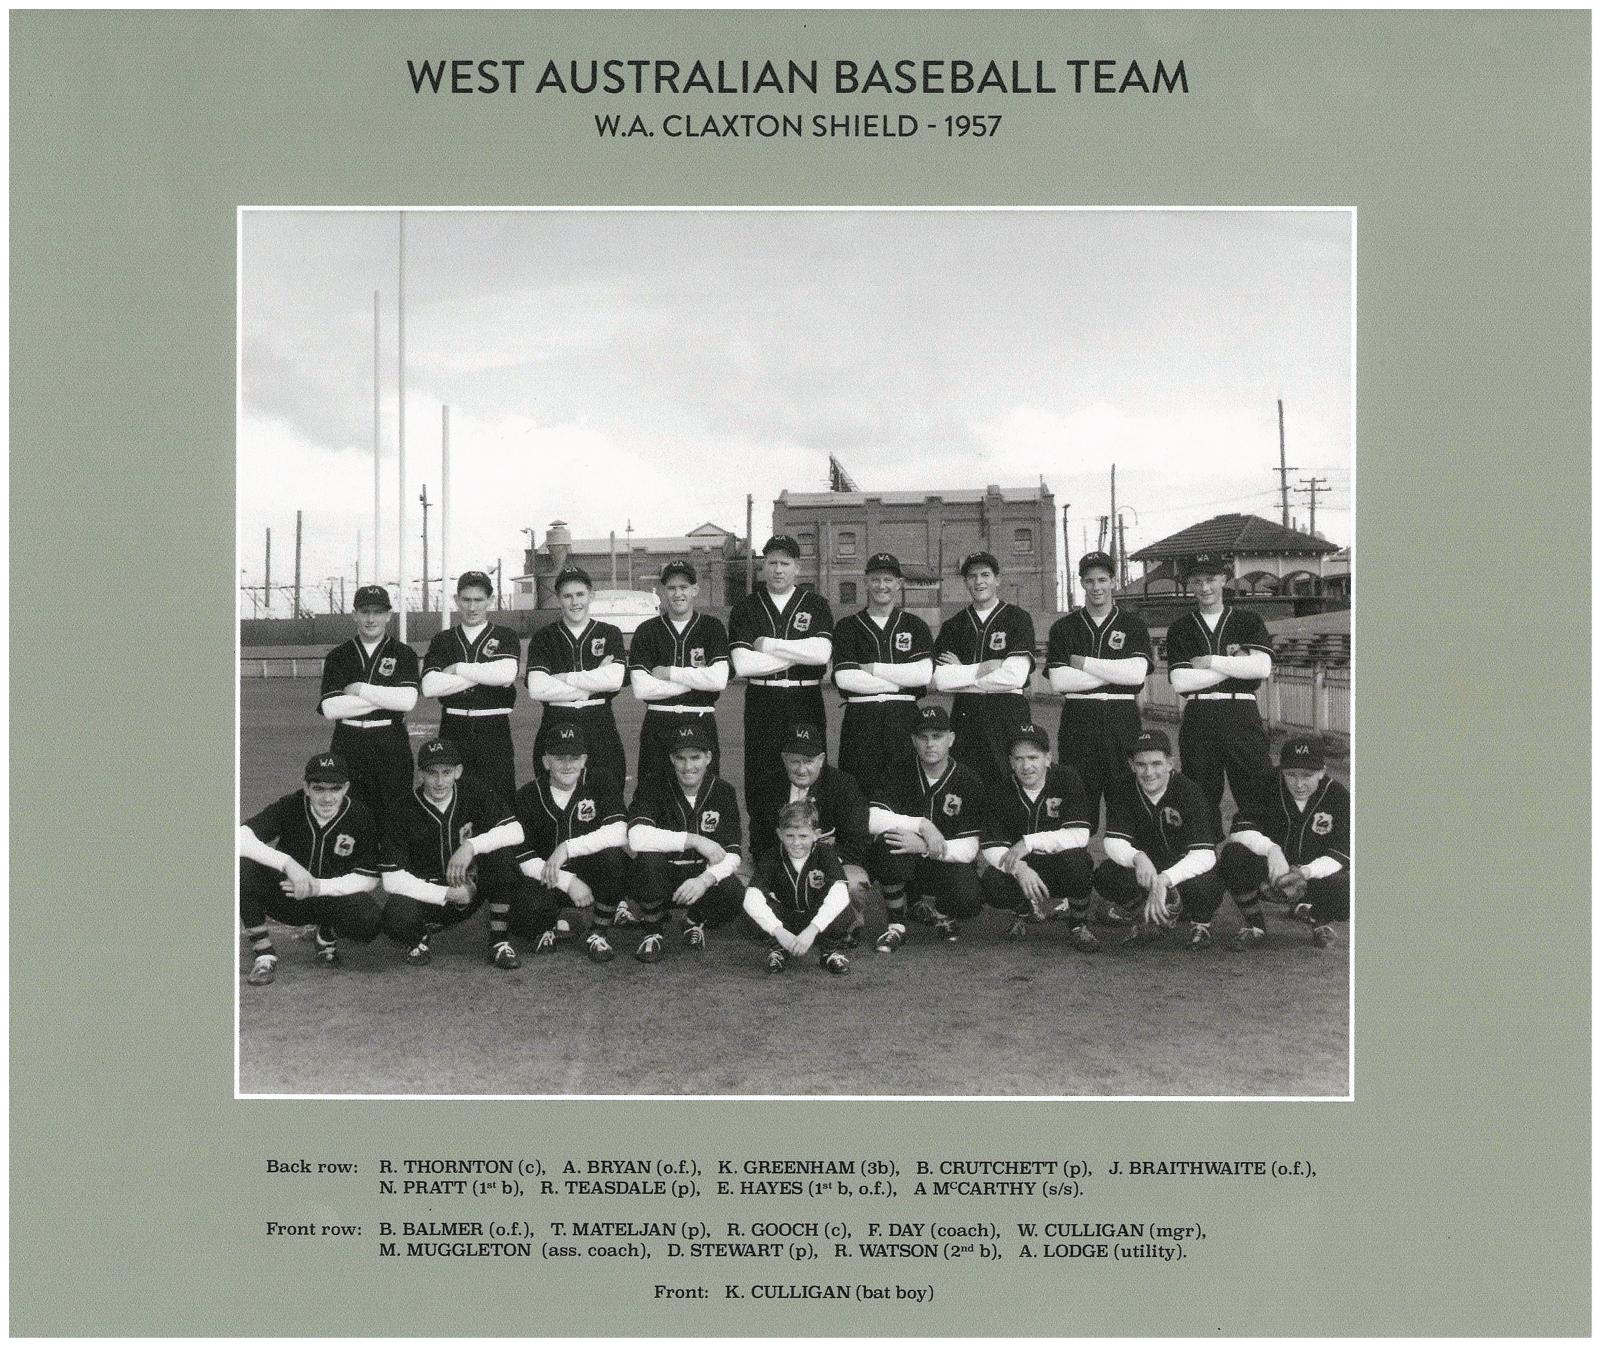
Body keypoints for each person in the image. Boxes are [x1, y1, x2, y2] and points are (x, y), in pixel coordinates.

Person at [379, 738, 555, 970]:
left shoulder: (474, 791)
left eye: (446, 772)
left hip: (475, 888)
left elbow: (515, 831)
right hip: (433, 896)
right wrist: (447, 893)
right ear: (420, 774)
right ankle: (420, 937)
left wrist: (470, 846)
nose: (440, 781)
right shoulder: (403, 808)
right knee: (396, 916)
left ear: (458, 771)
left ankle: (499, 941)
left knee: (507, 864)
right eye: (432, 773)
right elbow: (391, 879)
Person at [238, 752, 383, 986]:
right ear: (306, 787)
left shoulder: (360, 816)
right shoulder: (291, 805)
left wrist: (318, 887)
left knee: (370, 919)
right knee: (241, 866)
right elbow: (239, 836)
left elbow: (369, 877)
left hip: (329, 902)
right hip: (286, 894)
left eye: (335, 789)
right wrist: (289, 865)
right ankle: (264, 952)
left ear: (346, 787)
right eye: (319, 789)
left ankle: (326, 936)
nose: (327, 798)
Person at [728, 535, 834, 836]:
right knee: (762, 771)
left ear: (797, 568)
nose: (777, 569)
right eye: (771, 562)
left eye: (785, 563)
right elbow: (744, 664)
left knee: (808, 769)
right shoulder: (747, 607)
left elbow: (822, 654)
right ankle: (762, 845)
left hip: (805, 696)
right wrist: (798, 653)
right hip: (764, 697)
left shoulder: (815, 604)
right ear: (763, 566)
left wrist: (769, 645)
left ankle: (811, 840)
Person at [1044, 551, 1153, 827]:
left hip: (1122, 719)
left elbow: (1136, 674)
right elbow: (1059, 681)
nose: (1096, 587)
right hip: (1079, 721)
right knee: (1078, 805)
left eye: (1102, 580)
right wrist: (1115, 672)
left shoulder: (1133, 625)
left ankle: (1124, 864)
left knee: (1126, 803)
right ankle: (1079, 866)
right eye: (1090, 581)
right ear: (1081, 583)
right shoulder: (1064, 627)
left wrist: (1082, 664)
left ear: (1113, 581)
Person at [1164, 553, 1275, 822]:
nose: (1205, 588)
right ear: (1189, 584)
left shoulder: (1248, 620)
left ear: (1224, 579)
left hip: (1241, 713)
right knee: (1199, 798)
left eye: (1211, 579)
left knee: (1257, 793)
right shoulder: (1181, 628)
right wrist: (1235, 665)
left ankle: (1254, 857)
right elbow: (1180, 681)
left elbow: (1261, 668)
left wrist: (1211, 661)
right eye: (1197, 581)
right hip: (1199, 716)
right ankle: (1204, 858)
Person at [509, 721, 631, 964]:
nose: (568, 765)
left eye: (574, 757)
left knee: (614, 859)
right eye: (560, 758)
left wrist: (567, 848)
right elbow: (520, 854)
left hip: (591, 876)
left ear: (584, 759)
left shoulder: (600, 780)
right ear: (546, 761)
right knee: (523, 912)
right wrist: (568, 881)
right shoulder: (528, 795)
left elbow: (620, 830)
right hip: (549, 879)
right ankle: (553, 923)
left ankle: (598, 931)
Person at [865, 705, 987, 948]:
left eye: (937, 736)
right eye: (923, 737)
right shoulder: (899, 770)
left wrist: (923, 846)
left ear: (951, 739)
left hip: (946, 864)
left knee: (968, 898)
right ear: (913, 740)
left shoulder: (968, 779)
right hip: (906, 862)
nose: (930, 744)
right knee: (887, 843)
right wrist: (922, 824)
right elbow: (871, 818)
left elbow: (970, 847)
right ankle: (896, 924)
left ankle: (943, 913)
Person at [1093, 730, 1228, 948]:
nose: (1149, 772)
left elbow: (1204, 854)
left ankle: (1200, 925)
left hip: (1181, 872)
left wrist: (1166, 879)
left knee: (1208, 883)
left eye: (1156, 764)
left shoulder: (1189, 791)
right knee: (1106, 875)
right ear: (1131, 765)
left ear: (1169, 763)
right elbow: (1113, 841)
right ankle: (1148, 914)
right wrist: (1138, 857)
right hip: (1146, 871)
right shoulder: (1122, 788)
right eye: (1141, 765)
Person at [625, 721, 745, 962]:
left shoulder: (723, 791)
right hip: (660, 876)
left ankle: (693, 920)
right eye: (680, 758)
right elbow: (637, 837)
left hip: (696, 879)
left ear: (708, 757)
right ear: (671, 758)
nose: (688, 766)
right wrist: (695, 840)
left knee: (733, 892)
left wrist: (704, 880)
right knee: (648, 859)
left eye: (695, 757)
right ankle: (652, 930)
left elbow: (732, 853)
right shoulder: (653, 785)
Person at [746, 723, 873, 944]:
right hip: (781, 864)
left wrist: (823, 865)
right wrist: (783, 870)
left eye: (809, 761)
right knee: (742, 878)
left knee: (854, 883)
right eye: (795, 761)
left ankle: (845, 926)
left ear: (822, 759)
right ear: (784, 759)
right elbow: (759, 840)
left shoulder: (843, 785)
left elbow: (858, 841)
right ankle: (779, 924)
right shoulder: (767, 786)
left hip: (829, 865)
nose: (801, 769)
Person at [1219, 735, 1350, 949]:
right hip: (1271, 874)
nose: (1298, 784)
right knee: (1233, 856)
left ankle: (1318, 920)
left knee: (1347, 884)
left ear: (1322, 771)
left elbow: (1345, 851)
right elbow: (1240, 827)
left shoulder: (1337, 795)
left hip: (1313, 877)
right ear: (1282, 771)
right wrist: (1272, 850)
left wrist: (1305, 872)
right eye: (1291, 774)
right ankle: (1255, 925)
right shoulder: (1267, 784)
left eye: (1307, 775)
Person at [979, 724, 1097, 946]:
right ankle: (1025, 911)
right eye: (1019, 759)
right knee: (992, 881)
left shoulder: (1067, 778)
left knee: (1079, 863)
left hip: (1058, 864)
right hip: (1023, 870)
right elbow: (990, 844)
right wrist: (1019, 869)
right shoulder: (1000, 790)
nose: (1026, 766)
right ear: (1011, 762)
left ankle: (1078, 923)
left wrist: (1029, 842)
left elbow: (1080, 835)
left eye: (1033, 757)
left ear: (1047, 758)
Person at [831, 551, 933, 802]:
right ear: (866, 582)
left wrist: (873, 669)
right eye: (875, 579)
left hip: (904, 720)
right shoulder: (848, 626)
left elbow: (922, 675)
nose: (882, 586)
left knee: (905, 794)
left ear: (899, 584)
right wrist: (901, 681)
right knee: (858, 794)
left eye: (888, 579)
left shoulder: (914, 625)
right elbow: (845, 678)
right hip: (861, 720)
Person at [930, 551, 1037, 790]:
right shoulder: (954, 625)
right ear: (965, 582)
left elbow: (1015, 676)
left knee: (1010, 788)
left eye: (985, 575)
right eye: (972, 576)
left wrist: (963, 673)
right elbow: (940, 679)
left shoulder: (1017, 618)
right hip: (966, 717)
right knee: (965, 789)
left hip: (1007, 715)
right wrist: (986, 667)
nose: (979, 581)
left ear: (997, 579)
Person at [315, 585, 419, 825]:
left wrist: (361, 689)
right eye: (365, 612)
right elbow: (331, 708)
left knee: (393, 817)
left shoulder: (403, 653)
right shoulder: (339, 656)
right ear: (354, 615)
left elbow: (407, 700)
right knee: (349, 818)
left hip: (390, 742)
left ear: (388, 615)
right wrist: (385, 698)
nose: (371, 619)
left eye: (378, 612)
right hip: (347, 741)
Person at [419, 571, 521, 807]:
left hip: (494, 727)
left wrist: (457, 668)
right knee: (454, 801)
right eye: (466, 600)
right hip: (454, 728)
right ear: (456, 601)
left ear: (490, 601)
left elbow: (506, 673)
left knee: (499, 801)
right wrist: (485, 674)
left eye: (478, 600)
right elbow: (430, 685)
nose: (472, 607)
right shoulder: (443, 640)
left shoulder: (504, 635)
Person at [524, 566, 630, 790]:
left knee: (607, 796)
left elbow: (613, 679)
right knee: (556, 799)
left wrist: (563, 677)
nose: (575, 602)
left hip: (600, 726)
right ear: (558, 599)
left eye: (580, 594)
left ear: (591, 595)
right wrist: (592, 683)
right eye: (567, 596)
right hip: (556, 721)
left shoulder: (609, 633)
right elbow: (537, 688)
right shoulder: (545, 637)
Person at [628, 560, 729, 790]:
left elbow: (719, 679)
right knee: (653, 793)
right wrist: (698, 680)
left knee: (703, 795)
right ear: (664, 592)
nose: (678, 593)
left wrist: (670, 673)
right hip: (658, 723)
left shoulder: (712, 627)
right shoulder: (648, 630)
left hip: (701, 720)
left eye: (683, 587)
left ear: (695, 589)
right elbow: (642, 688)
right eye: (672, 588)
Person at [742, 800, 853, 975]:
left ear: (816, 834)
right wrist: (778, 932)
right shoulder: (772, 855)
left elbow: (840, 893)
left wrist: (812, 930)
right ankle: (777, 949)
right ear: (780, 834)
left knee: (843, 906)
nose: (796, 843)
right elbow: (752, 896)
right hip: (785, 918)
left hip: (815, 916)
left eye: (803, 836)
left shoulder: (825, 853)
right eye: (789, 836)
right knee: (751, 908)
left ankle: (829, 952)